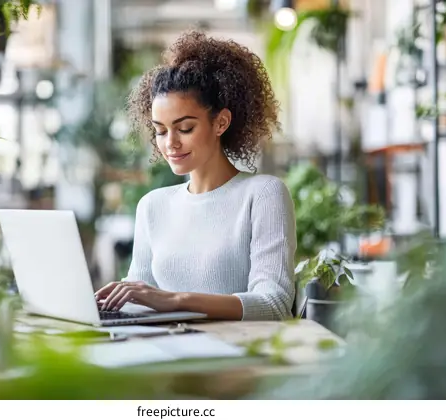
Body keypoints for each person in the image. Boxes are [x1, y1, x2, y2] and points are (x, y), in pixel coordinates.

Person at [95, 30, 297, 321]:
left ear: (221, 122)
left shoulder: (263, 194)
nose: (170, 143)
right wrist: (109, 302)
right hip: (166, 355)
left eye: (185, 128)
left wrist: (176, 300)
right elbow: (141, 300)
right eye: (161, 131)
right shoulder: (152, 206)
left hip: (239, 358)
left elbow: (274, 304)